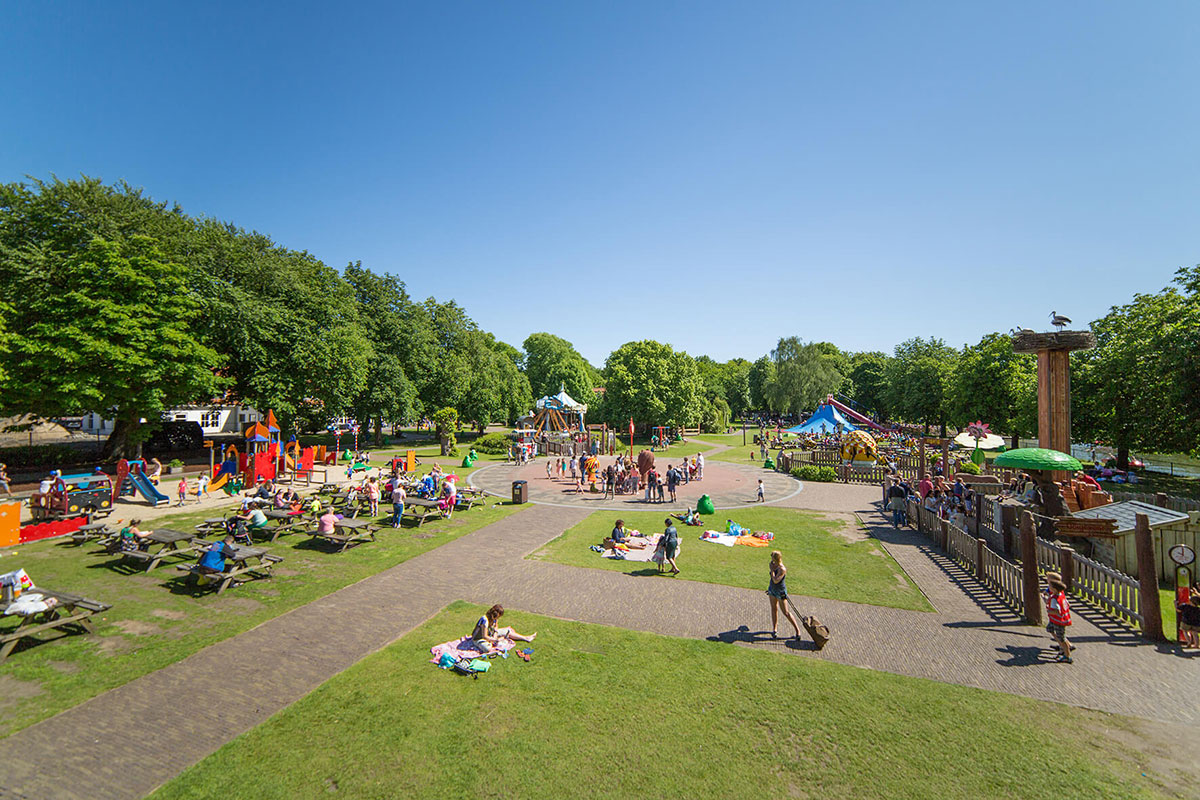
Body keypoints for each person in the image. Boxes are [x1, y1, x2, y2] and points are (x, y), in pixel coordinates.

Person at [472, 604, 536, 654]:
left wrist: (495, 633)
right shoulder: (484, 620)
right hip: (479, 638)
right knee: (487, 649)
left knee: (507, 631)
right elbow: (484, 636)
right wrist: (495, 640)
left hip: (490, 634)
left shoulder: (495, 618)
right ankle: (494, 642)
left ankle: (526, 638)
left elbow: (496, 627)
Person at [766, 551, 802, 639]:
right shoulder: (774, 565)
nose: (772, 560)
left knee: (786, 612)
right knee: (774, 609)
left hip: (780, 592)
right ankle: (774, 629)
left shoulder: (782, 569)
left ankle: (798, 631)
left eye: (773, 558)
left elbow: (775, 580)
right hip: (772, 590)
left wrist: (771, 570)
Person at [1045, 577, 1074, 663]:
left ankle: (1067, 655)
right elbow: (1067, 604)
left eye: (1049, 586)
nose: (1048, 587)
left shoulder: (1054, 599)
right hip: (1059, 620)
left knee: (1062, 638)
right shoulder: (1061, 595)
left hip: (1059, 621)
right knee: (1050, 629)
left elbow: (1057, 611)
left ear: (1054, 589)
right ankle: (1066, 647)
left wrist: (1049, 610)